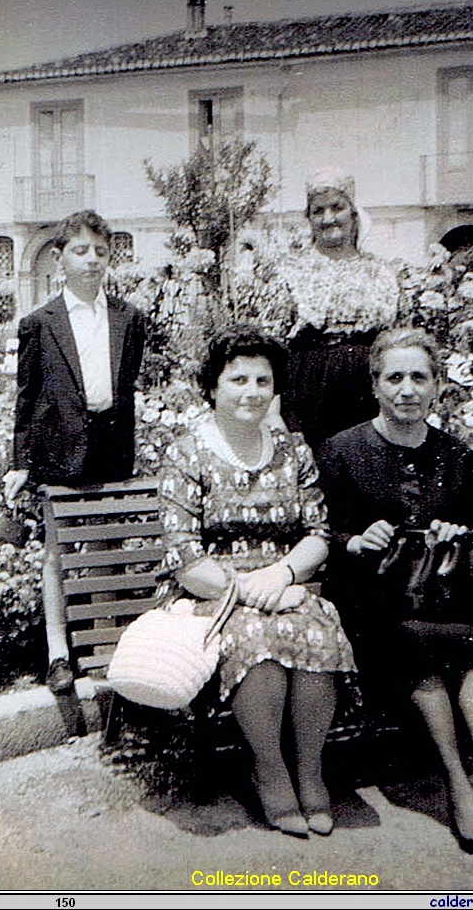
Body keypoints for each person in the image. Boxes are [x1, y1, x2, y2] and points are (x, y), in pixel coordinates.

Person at [317, 327, 473, 863]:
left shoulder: (455, 456)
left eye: (420, 376)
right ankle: (460, 788)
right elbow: (326, 535)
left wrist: (452, 531)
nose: (407, 389)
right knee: (422, 651)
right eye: (394, 377)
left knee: (471, 655)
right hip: (374, 607)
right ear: (375, 385)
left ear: (438, 385)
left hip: (443, 598)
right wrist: (357, 540)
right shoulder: (341, 450)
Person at [155, 327, 355, 837]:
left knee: (318, 626)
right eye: (237, 378)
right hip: (211, 592)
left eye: (262, 380)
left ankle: (309, 769)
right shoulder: (186, 453)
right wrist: (251, 589)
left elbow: (318, 534)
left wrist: (283, 573)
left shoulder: (294, 451)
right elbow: (184, 556)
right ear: (213, 387)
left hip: (285, 583)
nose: (251, 391)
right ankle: (270, 769)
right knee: (254, 639)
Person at [3, 210, 145, 694]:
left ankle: (107, 647)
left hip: (110, 447)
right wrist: (20, 461)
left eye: (100, 252)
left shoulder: (129, 318)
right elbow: (26, 396)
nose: (92, 261)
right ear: (59, 257)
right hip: (58, 449)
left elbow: (126, 384)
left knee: (107, 543)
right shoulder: (39, 324)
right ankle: (59, 653)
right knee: (55, 553)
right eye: (80, 251)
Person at [277, 166, 400, 450]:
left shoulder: (380, 271)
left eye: (337, 207)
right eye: (318, 211)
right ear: (308, 218)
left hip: (366, 386)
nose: (328, 218)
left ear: (353, 212)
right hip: (309, 388)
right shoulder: (290, 270)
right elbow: (274, 346)